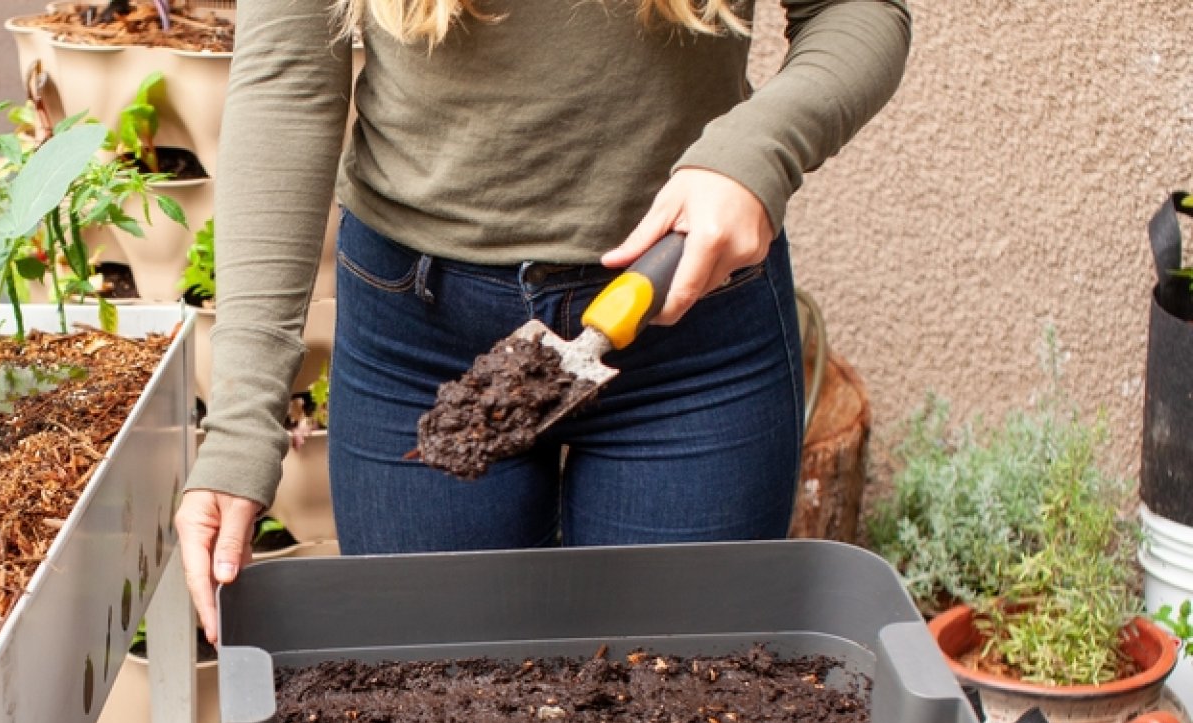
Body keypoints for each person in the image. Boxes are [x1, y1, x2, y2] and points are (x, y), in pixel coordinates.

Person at [176, 0, 911, 641]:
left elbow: (859, 9)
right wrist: (244, 422)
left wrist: (757, 152)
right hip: (419, 344)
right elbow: (289, 79)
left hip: (686, 330)